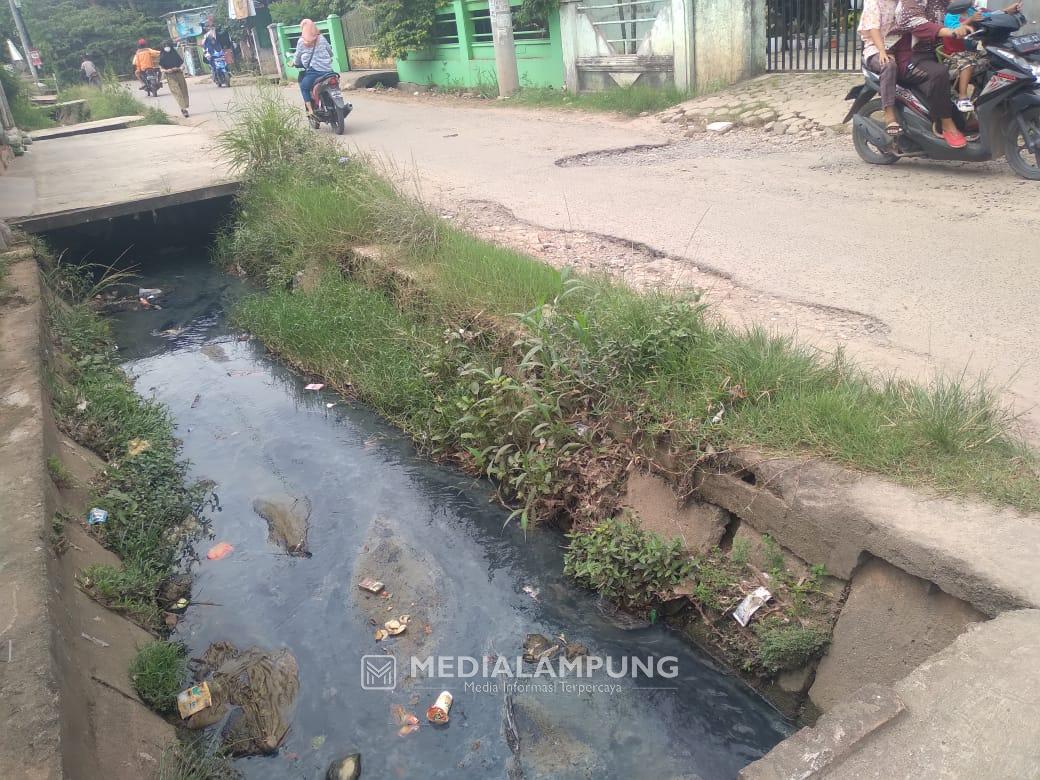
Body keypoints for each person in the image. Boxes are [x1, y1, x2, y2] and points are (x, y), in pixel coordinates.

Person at [894, 0, 973, 148]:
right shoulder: (910, 3)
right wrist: (951, 31)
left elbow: (973, 11)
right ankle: (946, 124)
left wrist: (1005, 13)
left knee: (976, 63)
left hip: (939, 54)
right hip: (911, 57)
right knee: (939, 73)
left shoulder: (944, 3)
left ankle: (968, 115)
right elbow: (918, 24)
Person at [943, 2, 1022, 112]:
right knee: (968, 62)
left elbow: (989, 16)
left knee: (996, 57)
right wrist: (971, 20)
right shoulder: (951, 14)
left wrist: (1007, 11)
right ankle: (962, 98)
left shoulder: (972, 10)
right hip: (954, 55)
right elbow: (953, 30)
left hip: (972, 51)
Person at [858, 0, 910, 135]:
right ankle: (889, 114)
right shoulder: (873, 2)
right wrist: (882, 50)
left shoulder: (899, 3)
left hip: (897, 47)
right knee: (888, 65)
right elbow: (873, 28)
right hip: (875, 48)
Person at [293, 19, 335, 116]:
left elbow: (297, 59)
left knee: (304, 87)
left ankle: (311, 111)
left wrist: (295, 63)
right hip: (328, 71)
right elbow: (330, 53)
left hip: (314, 72)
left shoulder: (301, 42)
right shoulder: (322, 38)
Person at [159, 40, 190, 117]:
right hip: (170, 76)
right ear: (163, 48)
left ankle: (185, 105)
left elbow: (182, 65)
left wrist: (179, 68)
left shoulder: (175, 54)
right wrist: (167, 70)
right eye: (165, 46)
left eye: (168, 46)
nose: (167, 47)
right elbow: (161, 68)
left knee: (183, 90)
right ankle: (183, 109)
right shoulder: (162, 56)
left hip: (179, 74)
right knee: (177, 92)